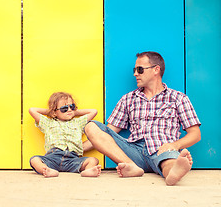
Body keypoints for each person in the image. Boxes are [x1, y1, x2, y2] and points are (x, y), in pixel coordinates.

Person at [84, 51, 201, 185]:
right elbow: (107, 133)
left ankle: (172, 174)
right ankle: (131, 167)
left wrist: (175, 145)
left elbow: (196, 134)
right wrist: (76, 149)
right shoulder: (128, 99)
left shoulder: (178, 98)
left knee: (170, 162)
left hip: (162, 148)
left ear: (156, 70)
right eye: (135, 70)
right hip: (133, 152)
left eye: (139, 70)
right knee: (91, 126)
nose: (135, 74)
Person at [29, 92, 102, 178]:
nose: (69, 110)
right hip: (53, 157)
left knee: (93, 160)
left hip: (73, 159)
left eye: (72, 107)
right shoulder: (48, 123)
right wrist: (51, 112)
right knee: (34, 160)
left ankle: (87, 171)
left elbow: (93, 111)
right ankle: (46, 170)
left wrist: (74, 112)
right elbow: (32, 110)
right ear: (54, 112)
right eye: (64, 109)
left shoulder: (78, 123)